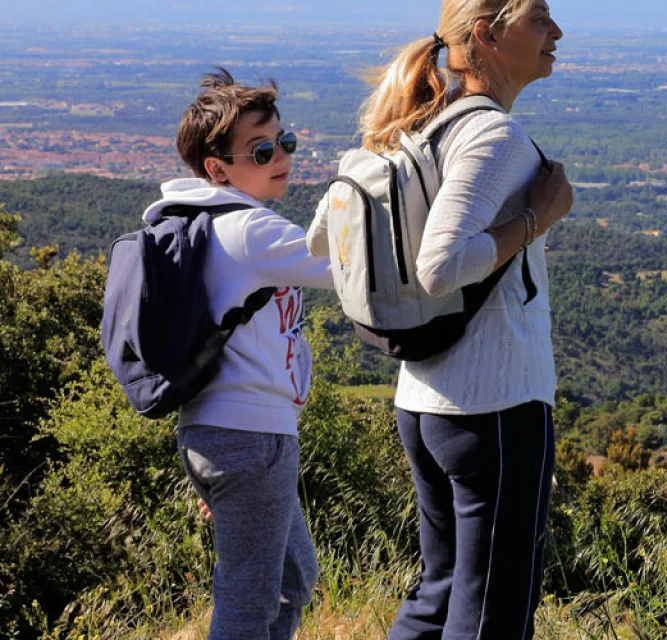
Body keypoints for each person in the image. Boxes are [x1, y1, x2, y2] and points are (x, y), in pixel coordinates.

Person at [352, 0, 571, 637]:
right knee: (490, 616)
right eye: (539, 18)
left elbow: (326, 240)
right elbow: (440, 265)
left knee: (440, 596)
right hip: (494, 404)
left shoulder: (421, 124)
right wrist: (537, 218)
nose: (556, 32)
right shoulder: (492, 134)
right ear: (487, 35)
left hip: (424, 399)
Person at [159, 68, 330, 640]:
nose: (281, 156)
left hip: (216, 434)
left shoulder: (197, 221)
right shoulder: (250, 231)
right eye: (261, 150)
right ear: (217, 168)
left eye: (286, 142)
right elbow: (359, 272)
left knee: (291, 576)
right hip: (250, 438)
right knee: (251, 598)